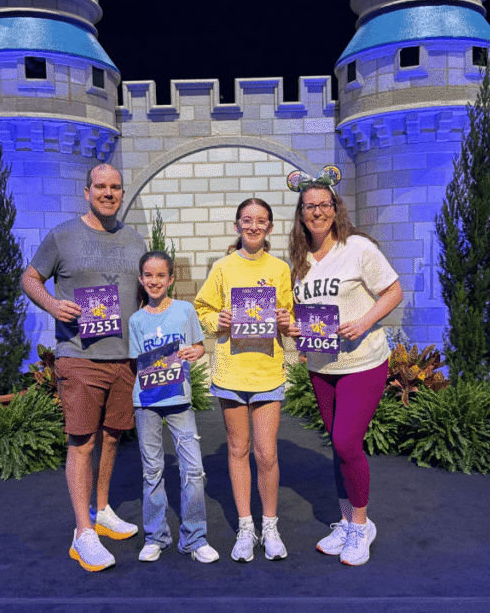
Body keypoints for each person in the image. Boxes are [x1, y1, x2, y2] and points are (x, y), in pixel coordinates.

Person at [21, 163, 146, 572]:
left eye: (115, 187)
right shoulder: (63, 235)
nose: (108, 193)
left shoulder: (133, 238)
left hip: (124, 357)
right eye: (101, 187)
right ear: (87, 191)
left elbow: (145, 294)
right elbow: (30, 278)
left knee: (112, 438)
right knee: (83, 442)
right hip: (79, 355)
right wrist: (54, 304)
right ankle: (82, 532)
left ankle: (103, 509)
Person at [285, 167, 403, 567]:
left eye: (324, 205)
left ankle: (361, 525)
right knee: (338, 445)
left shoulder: (358, 248)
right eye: (309, 207)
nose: (317, 212)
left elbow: (393, 291)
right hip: (321, 365)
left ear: (336, 208)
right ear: (301, 214)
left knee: (346, 442)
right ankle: (344, 521)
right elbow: (304, 312)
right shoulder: (300, 259)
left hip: (362, 361)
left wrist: (366, 320)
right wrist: (296, 333)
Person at [194, 198, 294, 562]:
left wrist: (286, 322)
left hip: (267, 371)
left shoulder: (280, 269)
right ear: (237, 225)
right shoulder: (222, 267)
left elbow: (292, 315)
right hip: (231, 372)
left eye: (261, 221)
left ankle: (270, 525)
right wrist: (215, 321)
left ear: (269, 227)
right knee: (237, 449)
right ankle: (245, 526)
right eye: (247, 220)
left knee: (266, 453)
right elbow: (202, 308)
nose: (254, 227)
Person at [128, 251, 220, 564]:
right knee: (152, 471)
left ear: (170, 279)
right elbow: (137, 363)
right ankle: (156, 536)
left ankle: (194, 538)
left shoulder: (185, 310)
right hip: (146, 401)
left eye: (160, 276)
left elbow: (198, 346)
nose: (154, 281)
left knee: (193, 469)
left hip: (179, 399)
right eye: (148, 276)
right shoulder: (136, 320)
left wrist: (195, 351)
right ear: (141, 279)